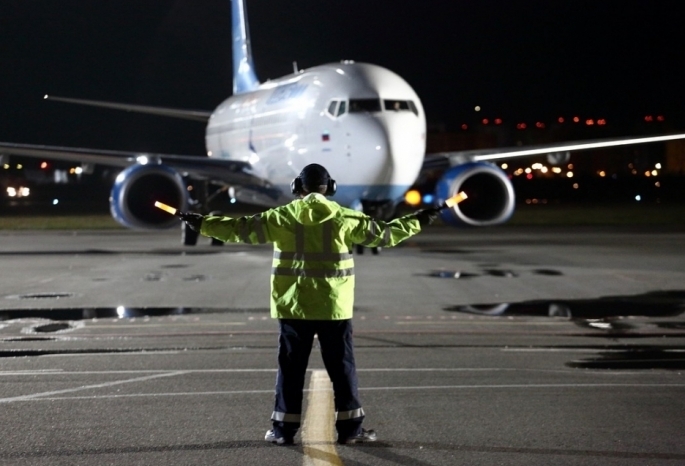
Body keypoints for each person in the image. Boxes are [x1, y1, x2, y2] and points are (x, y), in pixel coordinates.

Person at [180, 164, 438, 445]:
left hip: (294, 305)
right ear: (331, 188)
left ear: (297, 188)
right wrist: (420, 219)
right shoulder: (344, 217)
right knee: (342, 369)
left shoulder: (282, 217)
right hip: (333, 307)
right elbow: (387, 235)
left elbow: (239, 229)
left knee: (290, 370)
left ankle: (282, 431)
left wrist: (204, 223)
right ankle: (351, 431)